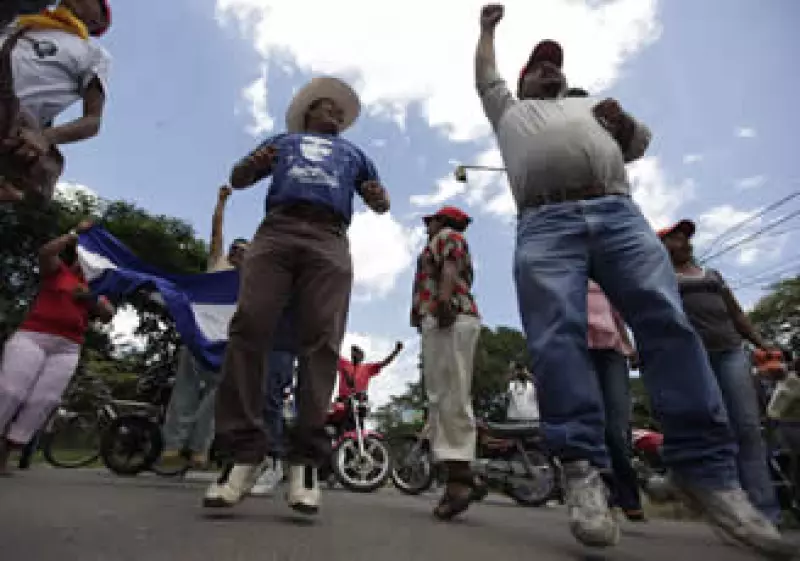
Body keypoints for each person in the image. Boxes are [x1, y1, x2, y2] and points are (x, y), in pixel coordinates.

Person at [474, 4, 790, 557]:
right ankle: (581, 472)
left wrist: (619, 126)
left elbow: (638, 144)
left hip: (618, 213)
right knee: (555, 338)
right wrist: (487, 30)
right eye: (539, 67)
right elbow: (486, 75)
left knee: (668, 323)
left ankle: (709, 475)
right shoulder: (508, 110)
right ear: (522, 80)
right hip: (545, 222)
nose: (550, 70)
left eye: (556, 66)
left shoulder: (594, 104)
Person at [204, 76, 390, 515]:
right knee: (249, 325)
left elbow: (381, 203)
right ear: (308, 114)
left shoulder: (355, 155)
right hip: (278, 229)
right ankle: (243, 455)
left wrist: (378, 196)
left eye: (340, 114)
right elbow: (239, 175)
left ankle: (305, 462)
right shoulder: (284, 142)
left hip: (329, 235)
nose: (336, 116)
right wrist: (252, 166)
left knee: (322, 340)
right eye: (328, 109)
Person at [659, 219, 781, 523]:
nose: (684, 242)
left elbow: (737, 314)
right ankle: (728, 507)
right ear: (661, 247)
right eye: (675, 238)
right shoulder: (660, 279)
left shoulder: (712, 275)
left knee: (748, 429)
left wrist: (761, 344)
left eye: (685, 237)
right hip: (694, 359)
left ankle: (766, 513)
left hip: (731, 353)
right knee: (716, 428)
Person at [0, 221, 114, 474]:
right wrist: (74, 234)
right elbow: (45, 253)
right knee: (11, 391)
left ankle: (7, 452)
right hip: (33, 336)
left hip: (67, 348)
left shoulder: (96, 288)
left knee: (44, 400)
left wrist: (92, 298)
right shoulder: (58, 271)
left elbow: (108, 313)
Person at [158, 186, 248, 470]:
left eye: (243, 251)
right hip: (199, 339)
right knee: (184, 390)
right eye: (234, 248)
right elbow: (216, 233)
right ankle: (172, 446)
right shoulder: (217, 265)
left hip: (226, 347)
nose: (235, 252)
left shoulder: (250, 283)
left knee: (216, 398)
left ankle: (200, 449)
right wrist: (221, 202)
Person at [410, 205, 482, 520]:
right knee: (442, 395)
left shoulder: (446, 236)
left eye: (431, 221)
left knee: (450, 393)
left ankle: (459, 478)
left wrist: (442, 300)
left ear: (442, 221)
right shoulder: (440, 239)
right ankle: (461, 470)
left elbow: (450, 267)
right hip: (441, 316)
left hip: (448, 316)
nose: (428, 227)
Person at [1, 0, 111, 203]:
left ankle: (23, 190)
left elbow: (93, 121)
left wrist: (45, 137)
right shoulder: (22, 22)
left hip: (12, 115)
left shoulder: (93, 53)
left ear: (98, 20)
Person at [587, 281, 644, 522]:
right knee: (591, 425)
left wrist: (629, 346)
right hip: (580, 351)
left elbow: (617, 316)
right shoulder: (568, 272)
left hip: (612, 353)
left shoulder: (605, 277)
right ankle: (603, 491)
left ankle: (628, 495)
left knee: (616, 428)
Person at [250, 350, 296, 497]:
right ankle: (254, 460)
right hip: (257, 339)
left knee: (270, 394)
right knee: (252, 397)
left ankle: (273, 462)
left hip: (282, 341)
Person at [336, 343, 403, 400]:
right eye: (353, 351)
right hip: (342, 399)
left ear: (362, 356)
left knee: (362, 410)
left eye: (357, 352)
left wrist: (396, 351)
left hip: (359, 401)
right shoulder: (344, 363)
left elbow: (384, 363)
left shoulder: (367, 368)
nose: (354, 354)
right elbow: (332, 355)